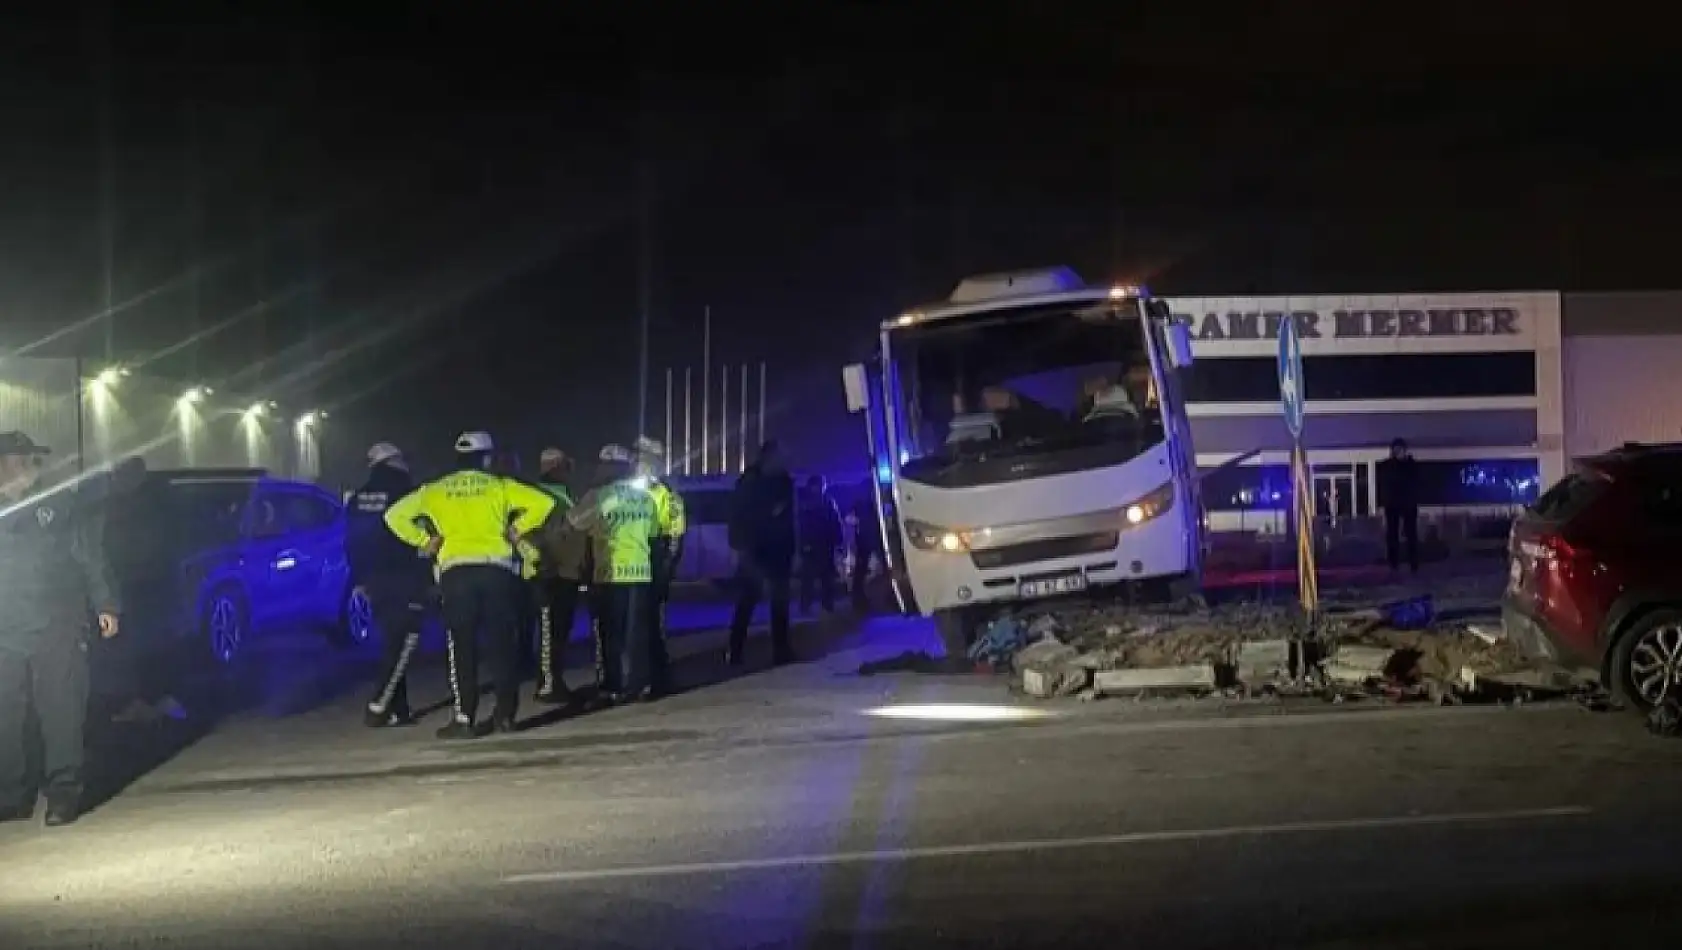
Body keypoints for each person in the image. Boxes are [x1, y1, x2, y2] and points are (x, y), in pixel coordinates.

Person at [383, 431, 556, 739]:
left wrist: (425, 541)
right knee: (503, 646)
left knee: (461, 647)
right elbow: (544, 503)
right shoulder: (500, 486)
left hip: (456, 573)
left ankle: (464, 719)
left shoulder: (435, 490)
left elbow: (394, 516)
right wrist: (516, 530)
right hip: (498, 571)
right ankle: (505, 717)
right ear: (487, 458)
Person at [0, 431, 120, 827]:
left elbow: (88, 554)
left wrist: (105, 603)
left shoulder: (59, 503)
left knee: (60, 710)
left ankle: (64, 794)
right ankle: (11, 797)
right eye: (10, 462)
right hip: (6, 628)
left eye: (23, 461)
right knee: (6, 714)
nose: (17, 469)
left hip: (58, 622)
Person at [349, 442, 435, 729]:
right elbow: (421, 536)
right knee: (405, 642)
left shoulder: (358, 498)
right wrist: (426, 575)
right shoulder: (407, 494)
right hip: (404, 576)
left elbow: (351, 542)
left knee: (392, 641)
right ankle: (378, 705)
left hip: (374, 579)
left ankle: (399, 709)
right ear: (394, 462)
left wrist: (359, 578)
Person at [567, 444, 660, 703]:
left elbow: (575, 522)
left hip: (609, 574)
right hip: (641, 573)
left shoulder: (598, 496)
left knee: (610, 635)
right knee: (637, 634)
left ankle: (613, 686)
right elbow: (653, 532)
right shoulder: (644, 498)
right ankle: (640, 685)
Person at [99, 456, 187, 724]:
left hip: (148, 585)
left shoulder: (151, 504)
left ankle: (157, 698)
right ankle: (141, 700)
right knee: (133, 647)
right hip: (131, 584)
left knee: (153, 644)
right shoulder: (123, 505)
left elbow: (162, 543)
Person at [727, 440, 796, 666]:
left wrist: (793, 549)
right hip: (754, 549)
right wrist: (741, 547)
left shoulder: (784, 482)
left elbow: (790, 519)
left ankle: (781, 650)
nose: (782, 461)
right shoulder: (749, 482)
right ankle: (735, 651)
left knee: (780, 602)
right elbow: (737, 516)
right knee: (747, 601)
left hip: (779, 550)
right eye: (779, 456)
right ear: (767, 457)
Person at [528, 447, 581, 705]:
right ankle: (548, 684)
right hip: (550, 571)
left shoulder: (562, 493)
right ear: (557, 466)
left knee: (558, 630)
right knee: (551, 630)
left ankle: (553, 679)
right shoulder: (541, 494)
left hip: (565, 570)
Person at [634, 437, 685, 697]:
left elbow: (676, 533)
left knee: (654, 625)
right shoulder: (633, 489)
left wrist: (667, 566)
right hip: (632, 561)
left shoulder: (666, 493)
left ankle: (658, 678)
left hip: (656, 558)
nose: (641, 465)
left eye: (645, 460)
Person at [797, 474, 841, 614]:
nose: (820, 488)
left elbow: (835, 522)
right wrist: (803, 544)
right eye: (818, 485)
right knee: (809, 578)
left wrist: (838, 540)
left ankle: (826, 605)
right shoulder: (806, 503)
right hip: (812, 545)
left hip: (825, 544)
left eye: (822, 485)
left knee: (826, 578)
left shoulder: (828, 502)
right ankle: (807, 605)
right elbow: (801, 525)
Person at [1377, 438, 1421, 575]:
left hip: (1407, 503)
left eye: (1399, 450)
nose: (1397, 452)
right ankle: (1394, 563)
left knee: (1411, 534)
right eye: (1395, 450)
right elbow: (1385, 484)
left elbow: (1416, 483)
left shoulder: (1411, 466)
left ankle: (1413, 563)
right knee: (1392, 535)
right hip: (1393, 504)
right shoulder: (1388, 466)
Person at [846, 483, 883, 612]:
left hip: (872, 539)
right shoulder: (864, 503)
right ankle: (859, 599)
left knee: (863, 570)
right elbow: (849, 519)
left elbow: (849, 519)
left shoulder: (873, 501)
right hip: (867, 540)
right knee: (861, 570)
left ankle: (863, 598)